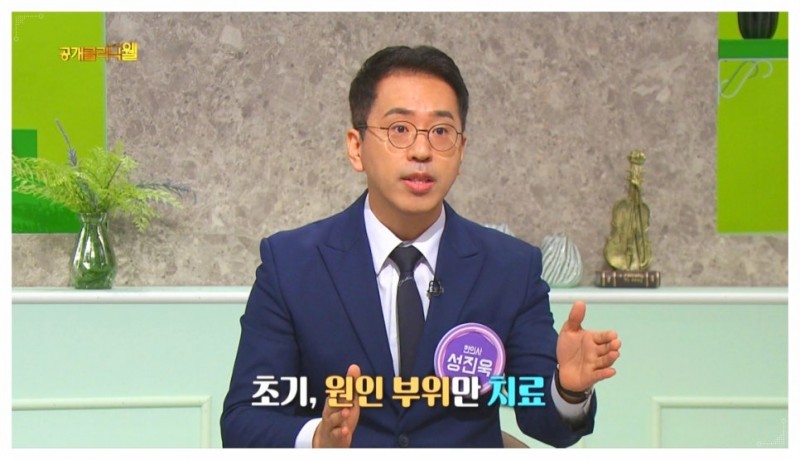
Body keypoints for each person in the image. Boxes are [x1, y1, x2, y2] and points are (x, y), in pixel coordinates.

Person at [220, 45, 621, 448]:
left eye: (441, 132)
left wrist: (568, 389)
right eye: (399, 129)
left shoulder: (510, 268)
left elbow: (544, 420)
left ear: (461, 151)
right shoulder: (292, 264)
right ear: (356, 147)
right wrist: (317, 441)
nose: (422, 151)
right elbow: (244, 420)